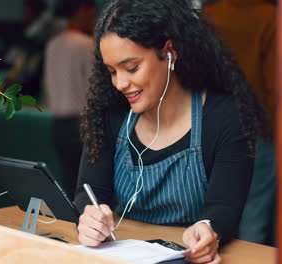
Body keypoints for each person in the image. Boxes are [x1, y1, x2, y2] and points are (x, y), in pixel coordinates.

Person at [73, 0, 268, 263]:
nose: (120, 83)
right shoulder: (111, 113)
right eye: (111, 71)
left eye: (131, 68)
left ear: (169, 52)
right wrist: (89, 217)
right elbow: (89, 193)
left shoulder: (224, 116)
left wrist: (211, 228)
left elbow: (224, 207)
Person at [203, 0, 277, 246]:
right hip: (258, 125)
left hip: (211, 124)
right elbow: (275, 82)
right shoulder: (270, 17)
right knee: (255, 212)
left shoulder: (211, 15)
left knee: (214, 211)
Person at [44, 0, 97, 198]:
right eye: (92, 14)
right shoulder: (86, 45)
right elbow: (95, 89)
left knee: (69, 183)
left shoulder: (52, 45)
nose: (94, 20)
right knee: (86, 188)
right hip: (81, 124)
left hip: (57, 126)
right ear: (82, 10)